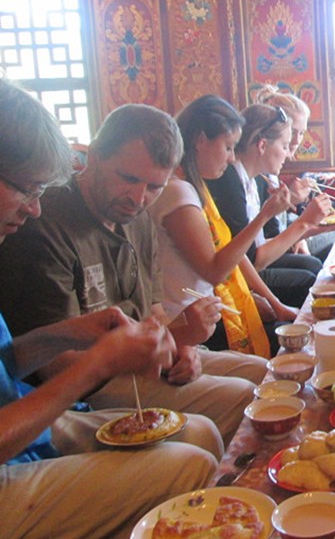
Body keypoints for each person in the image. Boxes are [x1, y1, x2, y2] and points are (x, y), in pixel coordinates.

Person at [0, 80, 221, 538]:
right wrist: (99, 361)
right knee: (189, 465)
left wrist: (67, 332)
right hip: (20, 440)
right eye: (27, 190)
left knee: (201, 436)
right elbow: (54, 378)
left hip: (26, 422)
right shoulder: (40, 234)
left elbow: (8, 364)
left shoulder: (135, 221)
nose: (35, 210)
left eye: (154, 187)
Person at [0, 101, 265, 445]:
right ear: (95, 156)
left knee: (262, 374)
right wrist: (115, 355)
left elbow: (153, 314)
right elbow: (52, 368)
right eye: (128, 179)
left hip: (130, 362)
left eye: (155, 187)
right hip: (87, 384)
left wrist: (179, 345)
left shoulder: (138, 218)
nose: (138, 199)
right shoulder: (44, 226)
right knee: (238, 402)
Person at [150, 95, 323, 355]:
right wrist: (267, 216)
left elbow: (230, 250)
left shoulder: (195, 187)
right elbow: (216, 270)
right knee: (297, 344)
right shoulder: (179, 191)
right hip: (189, 322)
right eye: (229, 147)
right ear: (200, 141)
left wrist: (271, 302)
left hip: (211, 307)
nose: (232, 158)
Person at [205, 102, 335, 310]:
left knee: (312, 266)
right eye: (284, 146)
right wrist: (303, 223)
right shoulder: (229, 182)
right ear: (262, 145)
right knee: (308, 278)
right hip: (234, 277)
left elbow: (260, 242)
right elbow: (253, 260)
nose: (289, 154)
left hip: (250, 263)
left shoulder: (257, 179)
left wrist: (314, 226)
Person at [253, 86, 335, 261]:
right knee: (315, 260)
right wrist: (299, 229)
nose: (296, 140)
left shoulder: (272, 169)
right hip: (267, 252)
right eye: (293, 132)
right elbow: (261, 234)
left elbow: (279, 221)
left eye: (301, 133)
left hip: (281, 240)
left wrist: (299, 231)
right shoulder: (257, 171)